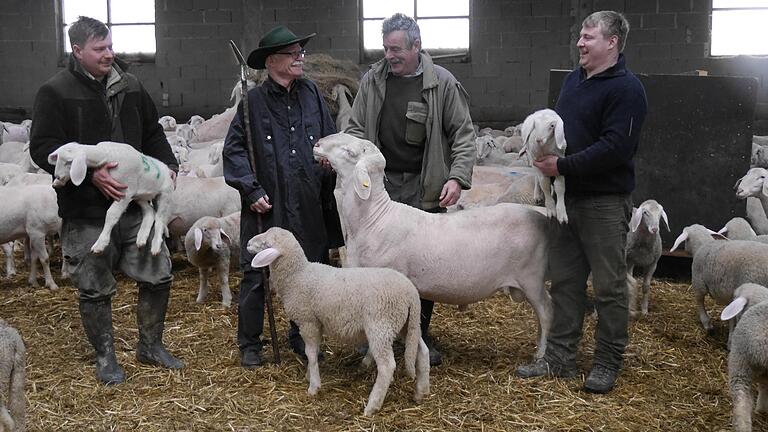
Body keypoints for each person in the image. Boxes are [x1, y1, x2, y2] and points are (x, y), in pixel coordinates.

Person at [29, 16, 184, 385]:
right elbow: (42, 148)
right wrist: (92, 174)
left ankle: (151, 345)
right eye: (100, 49)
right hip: (86, 209)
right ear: (77, 50)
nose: (109, 54)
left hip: (134, 204)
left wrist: (170, 165)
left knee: (159, 271)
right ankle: (105, 357)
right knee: (94, 284)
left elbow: (151, 131)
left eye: (110, 46)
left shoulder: (129, 86)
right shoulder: (55, 91)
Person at [515, 10, 648, 394]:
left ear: (612, 43)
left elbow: (616, 148)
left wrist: (562, 166)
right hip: (565, 200)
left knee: (609, 287)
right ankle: (560, 358)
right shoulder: (573, 81)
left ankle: (607, 361)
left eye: (589, 37)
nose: (580, 43)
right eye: (581, 37)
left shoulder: (627, 89)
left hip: (604, 203)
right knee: (566, 282)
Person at [346, 13, 476, 366]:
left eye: (397, 48)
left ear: (416, 46)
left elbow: (464, 134)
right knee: (376, 262)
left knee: (422, 265)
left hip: (424, 186)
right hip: (379, 189)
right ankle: (378, 334)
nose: (389, 55)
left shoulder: (442, 84)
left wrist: (457, 177)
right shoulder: (372, 81)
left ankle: (419, 336)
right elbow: (355, 128)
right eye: (386, 48)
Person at [223, 25, 342, 368]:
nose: (300, 59)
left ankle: (301, 337)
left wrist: (328, 160)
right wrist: (250, 188)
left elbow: (329, 139)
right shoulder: (253, 102)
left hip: (308, 201)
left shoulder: (312, 94)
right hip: (267, 201)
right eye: (293, 54)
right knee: (256, 273)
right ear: (273, 61)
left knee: (309, 270)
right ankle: (250, 344)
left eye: (299, 53)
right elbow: (234, 152)